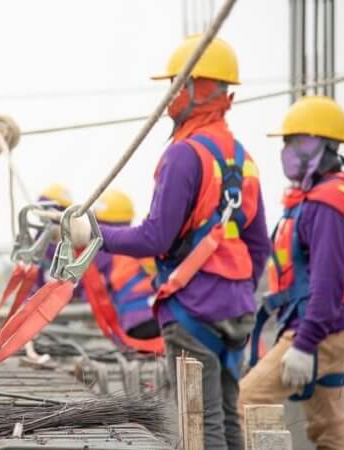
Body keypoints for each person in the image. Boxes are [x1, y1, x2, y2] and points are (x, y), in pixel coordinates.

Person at [68, 35, 270, 450]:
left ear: (201, 88)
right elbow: (258, 246)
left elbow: (154, 237)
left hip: (193, 312)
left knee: (202, 422)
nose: (171, 95)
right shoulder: (241, 157)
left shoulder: (184, 155)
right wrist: (239, 296)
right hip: (237, 312)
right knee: (229, 416)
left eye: (178, 84)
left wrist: (96, 235)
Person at [238, 96, 344, 450]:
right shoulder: (316, 198)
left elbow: (328, 283)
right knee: (329, 432)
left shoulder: (328, 205)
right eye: (287, 142)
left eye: (298, 141)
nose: (288, 150)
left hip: (319, 331)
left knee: (246, 402)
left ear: (325, 145)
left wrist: (305, 345)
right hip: (328, 327)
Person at [83, 190, 159, 341]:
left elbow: (88, 286)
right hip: (162, 316)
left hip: (135, 322)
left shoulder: (102, 249)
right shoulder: (136, 242)